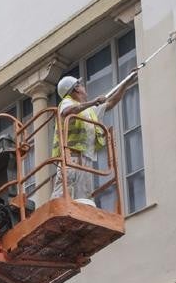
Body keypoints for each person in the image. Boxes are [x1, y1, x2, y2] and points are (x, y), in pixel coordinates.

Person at [50, 74, 124, 205]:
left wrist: (126, 83)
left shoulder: (89, 111)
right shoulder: (67, 102)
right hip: (70, 158)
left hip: (86, 159)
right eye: (81, 85)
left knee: (83, 198)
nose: (84, 88)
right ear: (76, 89)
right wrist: (93, 101)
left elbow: (111, 102)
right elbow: (68, 111)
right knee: (62, 194)